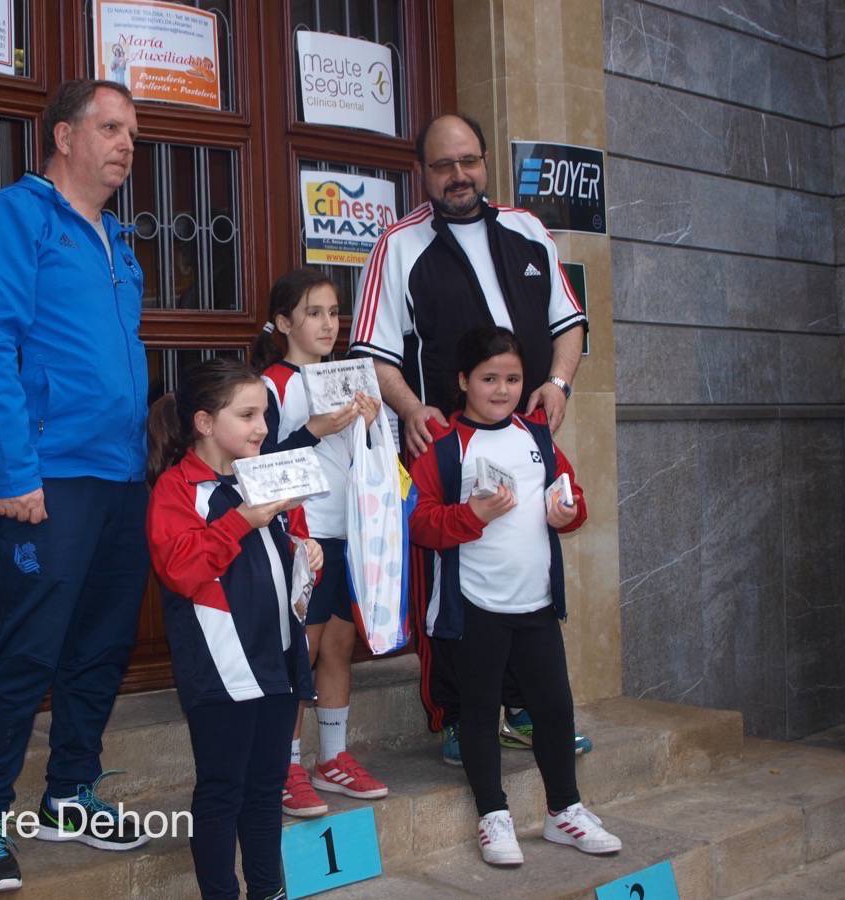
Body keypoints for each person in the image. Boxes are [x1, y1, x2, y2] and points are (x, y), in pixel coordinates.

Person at [0, 80, 149, 893]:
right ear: (63, 136)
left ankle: (69, 791)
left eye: (132, 132)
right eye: (109, 128)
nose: (126, 144)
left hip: (120, 477)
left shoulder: (118, 242)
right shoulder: (13, 218)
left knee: (100, 646)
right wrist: (16, 470)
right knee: (25, 648)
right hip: (45, 479)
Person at [349, 112, 590, 764]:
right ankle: (458, 713)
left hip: (526, 439)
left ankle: (526, 708)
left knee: (529, 572)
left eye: (468, 162)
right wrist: (410, 408)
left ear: (486, 162)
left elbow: (570, 324)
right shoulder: (398, 244)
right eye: (443, 165)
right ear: (422, 173)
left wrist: (560, 386)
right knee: (451, 590)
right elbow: (373, 352)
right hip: (448, 450)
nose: (459, 176)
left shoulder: (527, 229)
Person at [408, 326, 620, 866]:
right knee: (479, 713)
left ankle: (563, 811)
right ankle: (493, 816)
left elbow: (570, 499)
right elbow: (422, 525)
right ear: (462, 381)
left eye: (512, 378)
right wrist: (471, 516)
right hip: (475, 609)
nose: (501, 389)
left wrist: (568, 513)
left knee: (554, 709)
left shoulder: (539, 437)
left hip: (537, 606)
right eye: (488, 379)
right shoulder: (443, 449)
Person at [146, 357, 323, 900]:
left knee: (267, 790)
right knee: (223, 791)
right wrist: (244, 518)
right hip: (221, 667)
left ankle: (268, 891)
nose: (262, 428)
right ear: (204, 422)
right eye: (247, 415)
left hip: (277, 657)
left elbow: (289, 537)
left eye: (264, 414)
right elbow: (181, 570)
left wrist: (306, 551)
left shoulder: (265, 470)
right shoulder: (177, 491)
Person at [250, 267, 385, 818]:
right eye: (313, 313)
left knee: (337, 645)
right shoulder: (270, 385)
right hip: (298, 535)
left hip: (348, 528)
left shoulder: (351, 375)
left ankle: (333, 757)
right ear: (283, 322)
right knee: (296, 653)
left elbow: (371, 458)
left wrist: (371, 425)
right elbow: (258, 463)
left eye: (333, 312)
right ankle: (285, 765)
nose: (328, 324)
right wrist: (316, 429)